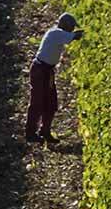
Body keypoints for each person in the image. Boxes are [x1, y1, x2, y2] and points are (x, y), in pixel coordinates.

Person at [26, 12, 82, 143]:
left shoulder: (59, 35)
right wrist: (84, 34)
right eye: (72, 27)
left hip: (47, 71)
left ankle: (45, 131)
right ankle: (30, 133)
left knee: (51, 102)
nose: (73, 29)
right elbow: (74, 36)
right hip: (39, 70)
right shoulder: (55, 33)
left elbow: (71, 36)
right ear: (65, 25)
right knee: (37, 102)